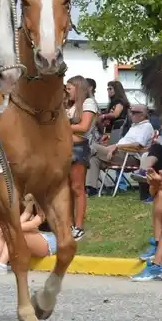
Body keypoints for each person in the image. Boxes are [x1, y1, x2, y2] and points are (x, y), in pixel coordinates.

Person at [0, 194, 57, 276]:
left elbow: (33, 224)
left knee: (14, 232)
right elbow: (23, 218)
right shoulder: (33, 200)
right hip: (41, 235)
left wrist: (12, 227)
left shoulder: (46, 199)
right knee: (6, 232)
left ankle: (1, 265)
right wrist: (9, 227)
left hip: (51, 239)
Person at [66, 75, 100, 239]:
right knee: (66, 188)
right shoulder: (69, 105)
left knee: (77, 188)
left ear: (78, 88)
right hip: (64, 148)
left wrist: (61, 126)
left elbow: (84, 126)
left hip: (78, 148)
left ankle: (79, 226)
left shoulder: (88, 103)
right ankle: (69, 223)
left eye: (69, 88)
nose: (67, 92)